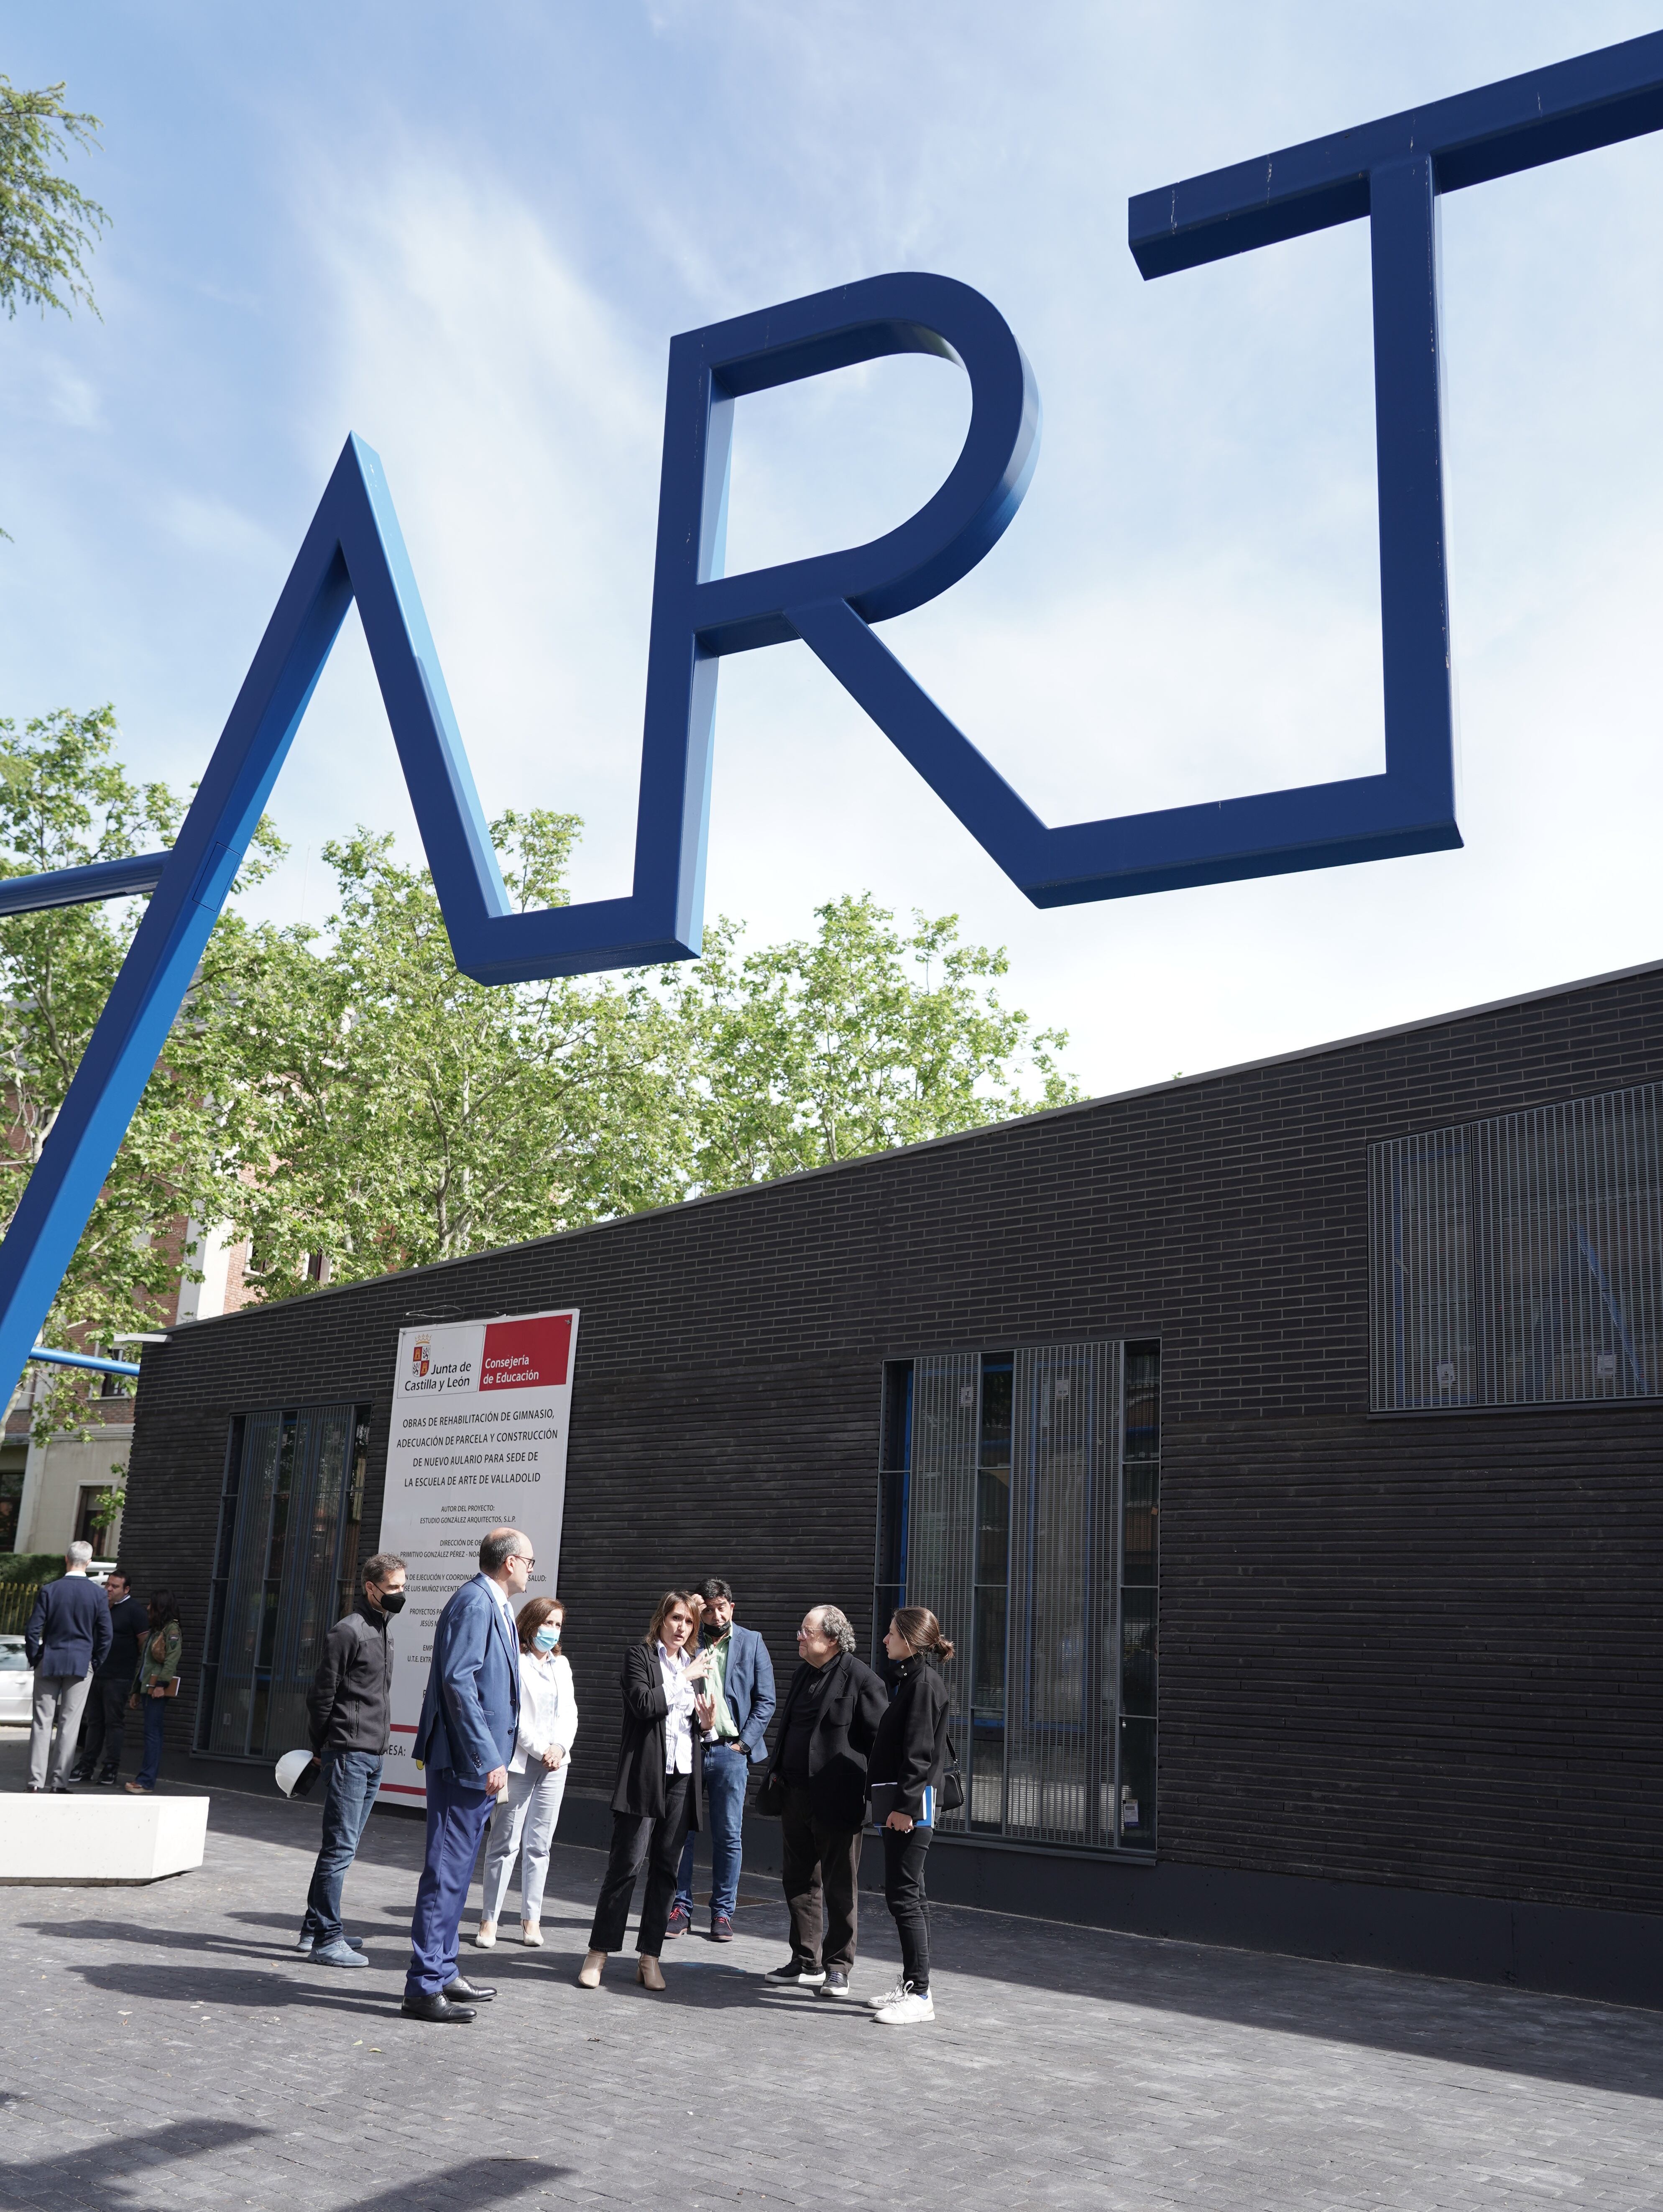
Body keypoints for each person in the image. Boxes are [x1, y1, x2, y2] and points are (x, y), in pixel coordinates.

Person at [401, 1527, 528, 2025]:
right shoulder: (477, 1603)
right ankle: (424, 1984)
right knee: (447, 1871)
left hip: (474, 1762)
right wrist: (486, 1757)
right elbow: (458, 1681)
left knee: (456, 1873)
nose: (530, 1569)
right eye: (528, 1560)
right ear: (510, 1562)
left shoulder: (491, 1602)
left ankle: (444, 1968)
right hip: (464, 1763)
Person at [578, 1590, 715, 1991]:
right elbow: (643, 1704)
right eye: (676, 1619)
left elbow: (697, 1729)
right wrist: (682, 1681)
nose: (682, 1628)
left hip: (682, 1778)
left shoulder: (694, 1664)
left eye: (689, 1622)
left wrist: (706, 1726)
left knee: (666, 1871)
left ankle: (650, 1957)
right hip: (644, 1776)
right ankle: (598, 1953)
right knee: (626, 1865)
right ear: (661, 1620)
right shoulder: (640, 1657)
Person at [758, 1604, 886, 2000]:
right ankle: (805, 1960)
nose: (799, 1636)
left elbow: (879, 1742)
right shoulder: (802, 1673)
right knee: (798, 1881)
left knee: (839, 1887)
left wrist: (863, 1789)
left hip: (837, 1799)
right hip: (795, 1795)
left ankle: (837, 1967)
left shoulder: (862, 1679)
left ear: (830, 1638)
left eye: (806, 1631)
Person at [296, 1551, 408, 1967]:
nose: (401, 1594)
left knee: (344, 1845)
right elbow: (321, 1695)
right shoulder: (349, 1631)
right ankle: (327, 1937)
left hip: (372, 1752)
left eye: (403, 1586)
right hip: (349, 1752)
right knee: (339, 1847)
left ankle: (312, 1929)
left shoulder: (383, 1630)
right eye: (393, 1587)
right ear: (371, 1588)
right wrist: (323, 1747)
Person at [668, 1576, 775, 1942]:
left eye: (721, 1608)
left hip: (730, 1751)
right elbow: (666, 1659)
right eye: (708, 1609)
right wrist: (692, 1612)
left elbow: (766, 1701)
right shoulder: (688, 1638)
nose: (714, 1616)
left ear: (732, 1606)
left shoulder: (752, 1642)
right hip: (690, 1748)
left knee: (729, 1835)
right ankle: (679, 1908)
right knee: (682, 1832)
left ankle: (723, 1914)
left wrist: (743, 1746)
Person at [866, 1606, 955, 2027]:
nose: (884, 1640)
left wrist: (903, 1808)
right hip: (909, 1807)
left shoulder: (921, 1685)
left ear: (910, 1641)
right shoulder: (914, 1681)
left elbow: (918, 1755)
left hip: (911, 1810)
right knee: (910, 1896)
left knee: (904, 1898)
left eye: (890, 1633)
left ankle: (919, 1993)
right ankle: (914, 1983)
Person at [476, 1595, 578, 1949]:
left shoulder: (560, 1666)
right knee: (504, 1843)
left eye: (558, 1625)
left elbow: (569, 1713)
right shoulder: (513, 1663)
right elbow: (511, 1717)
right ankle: (489, 1919)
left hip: (555, 1765)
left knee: (540, 1846)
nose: (552, 1631)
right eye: (547, 1623)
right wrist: (540, 1749)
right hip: (521, 1762)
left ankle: (530, 1919)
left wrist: (560, 1748)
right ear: (531, 1623)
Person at [25, 1540, 112, 1791]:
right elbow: (106, 1635)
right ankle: (58, 1783)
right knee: (70, 1724)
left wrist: (35, 1658)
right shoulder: (98, 1594)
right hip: (81, 1663)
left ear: (66, 1559)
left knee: (41, 1723)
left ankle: (34, 1783)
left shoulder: (50, 1590)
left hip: (49, 1660)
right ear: (89, 1562)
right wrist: (95, 1662)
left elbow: (33, 1630)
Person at [72, 1567, 148, 1785]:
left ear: (127, 1589)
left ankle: (111, 1768)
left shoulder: (135, 1611)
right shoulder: (101, 1608)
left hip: (119, 1677)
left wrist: (136, 1675)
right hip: (96, 1674)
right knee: (94, 1721)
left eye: (115, 1586)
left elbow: (143, 1643)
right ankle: (87, 1766)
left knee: (114, 1723)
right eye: (108, 1585)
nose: (109, 1589)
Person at [124, 1591, 182, 1794]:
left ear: (161, 1607)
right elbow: (145, 1665)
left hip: (157, 1690)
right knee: (151, 1734)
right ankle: (145, 1778)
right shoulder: (156, 1630)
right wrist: (136, 1691)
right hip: (148, 1688)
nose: (148, 1609)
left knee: (153, 1735)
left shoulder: (171, 1630)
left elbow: (171, 1660)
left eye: (152, 1605)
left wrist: (161, 1685)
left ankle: (147, 1781)